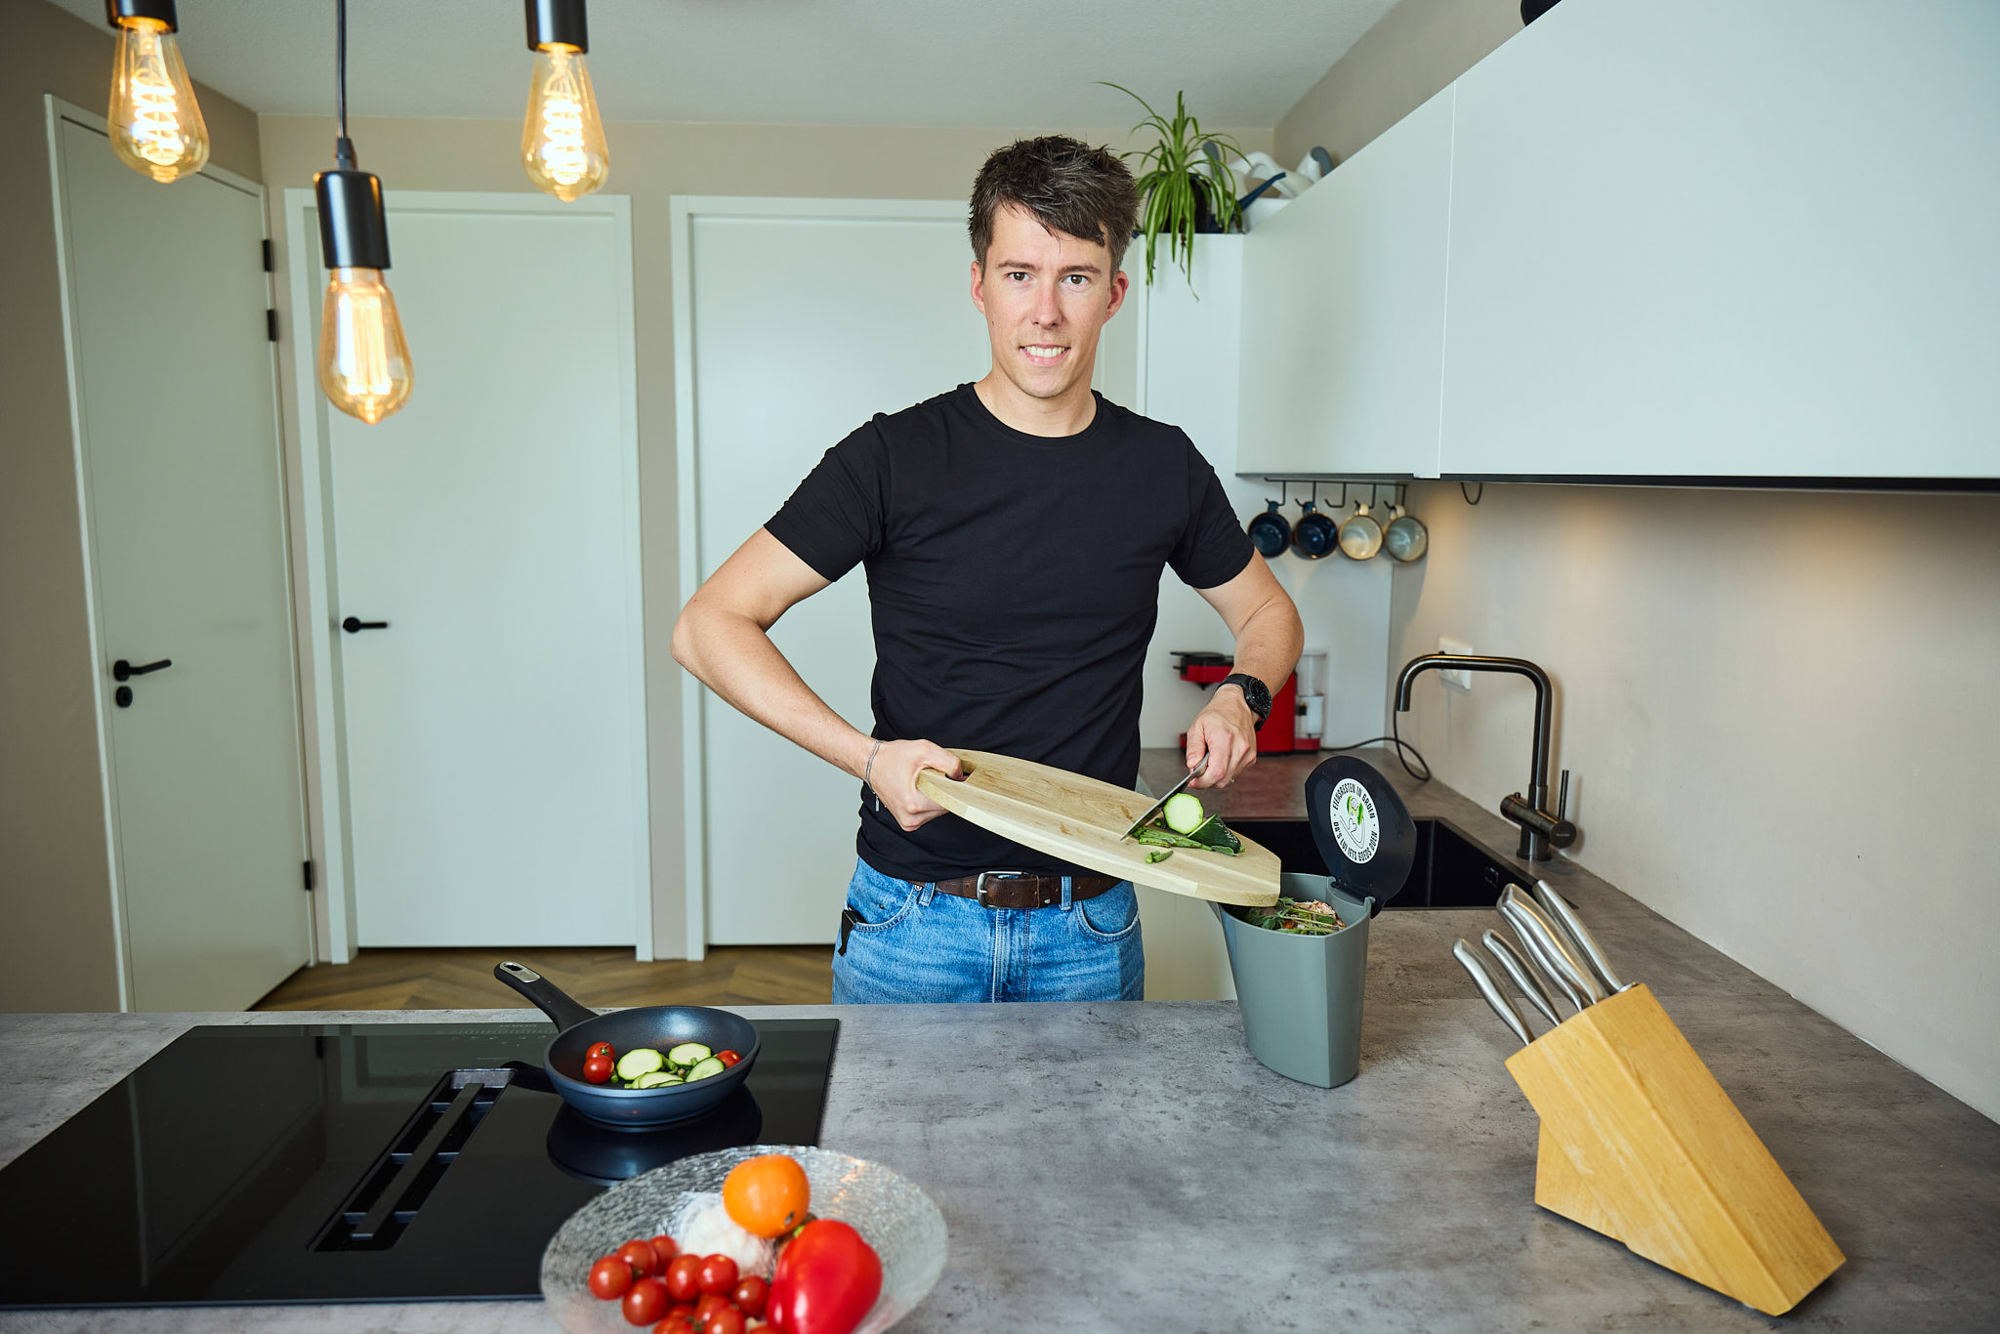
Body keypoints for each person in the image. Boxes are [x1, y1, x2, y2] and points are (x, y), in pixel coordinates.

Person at [671, 135, 1303, 1003]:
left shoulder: (1164, 467)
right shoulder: (891, 457)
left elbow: (1270, 615)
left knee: (1087, 1150)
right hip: (911, 924)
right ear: (979, 287)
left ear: (1114, 294)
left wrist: (1243, 694)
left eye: (1076, 277)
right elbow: (707, 626)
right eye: (1019, 274)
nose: (1045, 311)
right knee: (883, 1151)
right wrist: (867, 757)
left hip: (1091, 923)